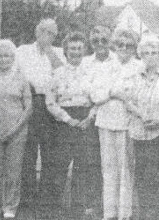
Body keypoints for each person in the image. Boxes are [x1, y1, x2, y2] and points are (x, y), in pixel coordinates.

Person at [112, 36, 159, 220]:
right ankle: (145, 215)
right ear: (141, 56)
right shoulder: (135, 76)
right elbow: (128, 102)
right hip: (140, 133)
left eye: (154, 53)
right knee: (142, 178)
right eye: (145, 53)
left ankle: (156, 215)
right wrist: (142, 115)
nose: (150, 56)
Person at [45, 32, 101, 218]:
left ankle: (78, 207)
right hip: (64, 121)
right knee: (59, 164)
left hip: (85, 121)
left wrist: (89, 118)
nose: (76, 52)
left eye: (79, 48)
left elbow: (98, 101)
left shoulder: (92, 73)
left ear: (84, 50)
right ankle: (54, 207)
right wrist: (68, 119)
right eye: (72, 48)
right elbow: (50, 102)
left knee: (83, 165)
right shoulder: (57, 73)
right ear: (65, 51)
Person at [89, 29, 142, 220]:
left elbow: (136, 96)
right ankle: (109, 213)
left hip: (127, 123)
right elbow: (95, 95)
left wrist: (113, 93)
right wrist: (113, 93)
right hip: (105, 121)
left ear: (135, 48)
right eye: (120, 45)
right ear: (115, 46)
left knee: (125, 169)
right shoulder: (104, 67)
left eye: (129, 46)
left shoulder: (139, 67)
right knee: (108, 169)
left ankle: (123, 214)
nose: (124, 49)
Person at [14, 18, 64, 209]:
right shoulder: (23, 51)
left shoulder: (58, 53)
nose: (47, 36)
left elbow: (62, 73)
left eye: (52, 33)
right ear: (36, 32)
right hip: (29, 101)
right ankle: (27, 197)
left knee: (49, 153)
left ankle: (45, 198)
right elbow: (18, 75)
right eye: (44, 31)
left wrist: (49, 51)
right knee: (28, 153)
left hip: (50, 105)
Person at [0, 40, 31, 219]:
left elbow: (28, 107)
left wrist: (15, 129)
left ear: (13, 57)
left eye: (7, 56)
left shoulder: (22, 79)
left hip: (16, 132)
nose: (4, 59)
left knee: (13, 171)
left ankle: (10, 206)